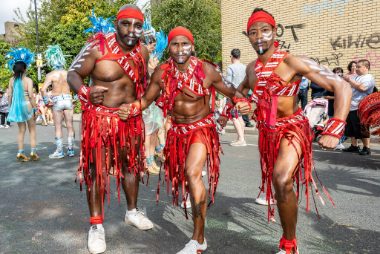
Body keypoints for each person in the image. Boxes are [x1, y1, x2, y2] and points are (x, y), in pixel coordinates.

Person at [118, 26, 250, 254]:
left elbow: (230, 91)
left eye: (184, 44)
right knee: (188, 180)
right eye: (175, 44)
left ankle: (198, 239)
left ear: (193, 46)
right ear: (168, 47)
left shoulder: (206, 70)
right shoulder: (162, 72)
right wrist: (131, 108)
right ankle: (199, 237)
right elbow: (146, 100)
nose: (180, 49)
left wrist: (243, 102)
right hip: (177, 133)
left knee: (192, 173)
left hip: (201, 129)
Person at [239, 8, 351, 253]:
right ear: (248, 36)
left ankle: (289, 246)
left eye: (265, 30)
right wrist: (243, 103)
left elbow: (340, 85)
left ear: (275, 31)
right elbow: (240, 92)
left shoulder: (292, 61)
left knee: (281, 178)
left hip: (292, 129)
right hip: (267, 133)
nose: (259, 36)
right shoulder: (250, 69)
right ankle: (289, 240)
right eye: (253, 32)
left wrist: (335, 127)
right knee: (279, 186)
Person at [67, 5, 154, 254]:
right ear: (117, 24)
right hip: (101, 119)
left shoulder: (143, 52)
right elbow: (73, 74)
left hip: (130, 121)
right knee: (97, 171)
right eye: (126, 24)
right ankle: (96, 226)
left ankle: (132, 212)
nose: (131, 30)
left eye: (137, 25)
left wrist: (137, 107)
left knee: (131, 167)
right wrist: (85, 92)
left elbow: (143, 87)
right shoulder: (97, 46)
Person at [142, 19, 167, 174]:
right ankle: (147, 160)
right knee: (147, 133)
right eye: (150, 42)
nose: (153, 45)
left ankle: (151, 159)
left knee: (155, 131)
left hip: (155, 101)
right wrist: (151, 72)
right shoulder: (142, 59)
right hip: (145, 100)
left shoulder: (153, 58)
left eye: (154, 42)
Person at [42, 45, 75, 158]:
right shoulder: (69, 73)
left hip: (57, 100)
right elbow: (76, 87)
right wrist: (74, 99)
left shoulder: (51, 75)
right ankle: (70, 150)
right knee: (70, 125)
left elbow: (43, 89)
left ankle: (60, 151)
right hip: (68, 98)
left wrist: (46, 101)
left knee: (58, 126)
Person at [6, 48, 39, 161]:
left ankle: (20, 152)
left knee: (21, 131)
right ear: (25, 69)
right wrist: (35, 109)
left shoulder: (11, 80)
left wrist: (10, 108)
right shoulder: (28, 80)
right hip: (28, 105)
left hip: (17, 107)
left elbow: (9, 95)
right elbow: (30, 95)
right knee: (32, 130)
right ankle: (33, 151)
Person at [343, 59, 375, 155]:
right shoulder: (357, 77)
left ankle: (366, 148)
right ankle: (354, 146)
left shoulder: (368, 77)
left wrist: (349, 80)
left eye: (358, 67)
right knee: (351, 128)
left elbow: (362, 88)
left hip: (361, 107)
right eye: (355, 67)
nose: (356, 69)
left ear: (366, 67)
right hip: (351, 106)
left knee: (362, 127)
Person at [226, 48, 248, 146]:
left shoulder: (230, 67)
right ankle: (240, 137)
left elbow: (228, 83)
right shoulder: (245, 67)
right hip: (243, 95)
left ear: (232, 56)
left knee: (234, 116)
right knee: (240, 116)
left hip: (234, 95)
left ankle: (241, 139)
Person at [324, 67, 345, 150]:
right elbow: (326, 96)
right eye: (336, 72)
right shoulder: (331, 83)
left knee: (341, 125)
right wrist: (336, 97)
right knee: (332, 125)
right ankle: (332, 142)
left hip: (342, 108)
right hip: (332, 108)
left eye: (340, 72)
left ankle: (339, 142)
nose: (338, 74)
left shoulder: (345, 83)